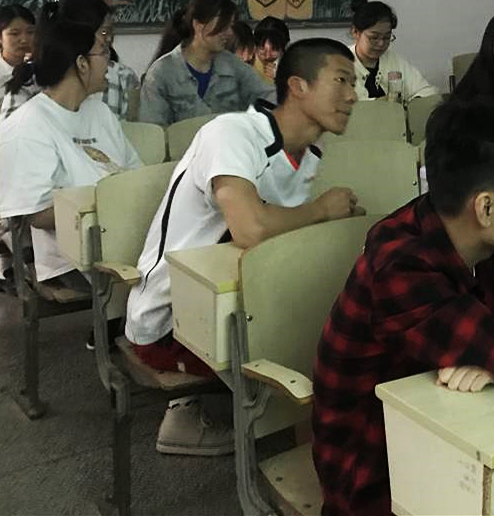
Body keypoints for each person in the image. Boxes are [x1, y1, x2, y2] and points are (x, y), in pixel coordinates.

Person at [312, 96, 494, 516]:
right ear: (486, 207)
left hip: (458, 436)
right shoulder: (401, 268)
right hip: (378, 477)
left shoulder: (478, 235)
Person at [125, 38, 364, 456]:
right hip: (172, 319)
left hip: (239, 304)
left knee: (348, 326)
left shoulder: (310, 155)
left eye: (354, 84)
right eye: (341, 80)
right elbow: (250, 229)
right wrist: (322, 211)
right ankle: (306, 454)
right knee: (327, 348)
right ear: (298, 86)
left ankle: (322, 443)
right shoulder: (231, 133)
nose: (352, 96)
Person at [0, 19, 143, 295]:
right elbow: (37, 214)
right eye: (103, 52)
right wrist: (111, 208)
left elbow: (135, 174)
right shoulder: (28, 124)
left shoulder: (99, 112)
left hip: (125, 233)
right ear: (82, 63)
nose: (110, 63)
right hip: (75, 255)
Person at [0, 0, 141, 122]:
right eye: (104, 32)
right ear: (76, 35)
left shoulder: (120, 77)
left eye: (111, 32)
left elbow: (124, 135)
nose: (109, 39)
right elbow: (9, 136)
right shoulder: (27, 79)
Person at [137, 0, 272, 126]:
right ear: (198, 25)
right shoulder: (161, 73)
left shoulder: (234, 65)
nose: (230, 32)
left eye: (231, 26)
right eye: (223, 25)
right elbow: (153, 130)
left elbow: (268, 97)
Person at [347, 0, 437, 103]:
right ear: (356, 32)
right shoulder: (342, 62)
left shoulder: (394, 60)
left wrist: (415, 102)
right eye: (374, 38)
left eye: (386, 37)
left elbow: (426, 91)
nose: (381, 44)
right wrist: (384, 101)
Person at [252, 16, 290, 84]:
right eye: (262, 49)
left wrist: (280, 79)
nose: (268, 56)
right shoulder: (247, 65)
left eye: (274, 50)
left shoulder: (292, 66)